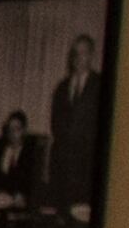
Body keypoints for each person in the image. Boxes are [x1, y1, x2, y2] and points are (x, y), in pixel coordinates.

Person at [43, 32, 105, 218]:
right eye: (75, 53)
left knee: (81, 217)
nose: (78, 58)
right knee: (61, 216)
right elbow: (56, 124)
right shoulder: (61, 87)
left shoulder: (100, 84)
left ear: (91, 55)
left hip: (86, 164)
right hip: (62, 164)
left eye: (83, 53)